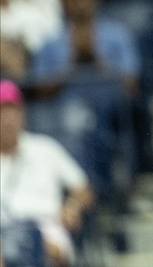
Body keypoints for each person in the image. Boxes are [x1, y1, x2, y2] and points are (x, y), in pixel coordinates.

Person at [0, 80, 94, 267]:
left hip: (45, 227)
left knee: (44, 248)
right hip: (3, 230)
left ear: (22, 114)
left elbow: (84, 189)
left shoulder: (45, 148)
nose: (7, 120)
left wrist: (72, 207)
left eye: (12, 111)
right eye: (2, 113)